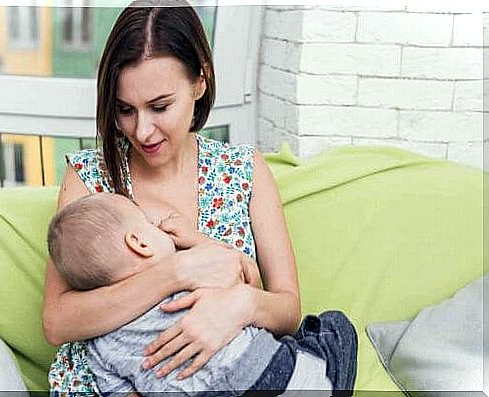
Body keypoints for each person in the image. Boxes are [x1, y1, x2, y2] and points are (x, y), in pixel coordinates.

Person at [42, 0, 357, 395]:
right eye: (125, 110)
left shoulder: (243, 169)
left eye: (160, 106)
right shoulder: (89, 176)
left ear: (200, 81)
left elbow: (288, 308)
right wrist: (176, 272)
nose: (142, 131)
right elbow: (58, 321)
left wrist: (241, 305)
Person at [47, 192, 357, 396]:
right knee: (334, 327)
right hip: (266, 373)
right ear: (139, 243)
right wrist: (196, 241)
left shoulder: (98, 346)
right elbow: (247, 274)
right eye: (151, 225)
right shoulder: (193, 279)